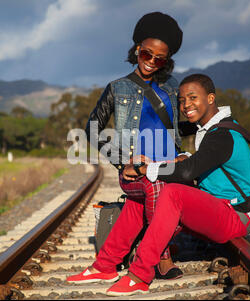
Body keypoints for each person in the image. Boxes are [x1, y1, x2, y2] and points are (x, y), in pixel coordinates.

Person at [70, 73, 250, 296]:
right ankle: (105, 266)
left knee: (172, 192)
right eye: (182, 100)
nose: (186, 105)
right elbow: (197, 164)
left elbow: (187, 172)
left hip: (233, 216)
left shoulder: (222, 134)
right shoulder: (209, 131)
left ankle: (140, 274)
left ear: (210, 98)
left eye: (193, 98)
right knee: (138, 198)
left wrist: (142, 169)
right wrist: (173, 160)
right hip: (215, 209)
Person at [77, 12, 188, 281]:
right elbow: (91, 128)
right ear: (137, 49)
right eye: (146, 54)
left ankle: (108, 262)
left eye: (159, 58)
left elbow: (177, 126)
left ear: (166, 61)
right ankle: (161, 256)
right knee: (155, 187)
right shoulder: (118, 88)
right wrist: (121, 161)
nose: (151, 62)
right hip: (136, 171)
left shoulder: (173, 87)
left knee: (192, 194)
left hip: (171, 166)